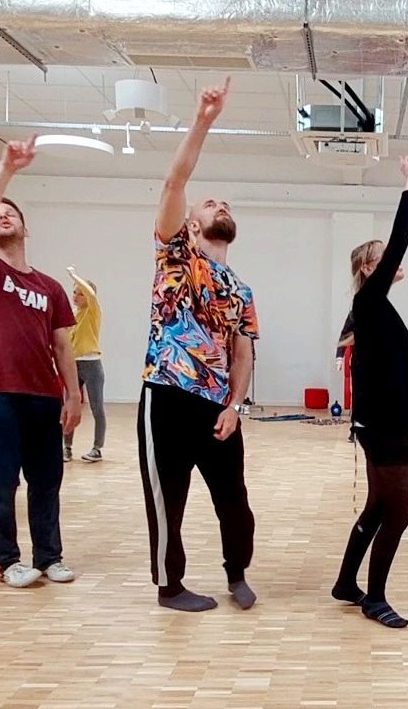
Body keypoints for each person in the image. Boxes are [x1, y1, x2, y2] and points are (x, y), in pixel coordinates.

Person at [138, 78, 260, 613]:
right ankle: (170, 587)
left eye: (224, 203)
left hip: (216, 407)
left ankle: (237, 573)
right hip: (166, 396)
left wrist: (235, 405)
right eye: (209, 203)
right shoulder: (175, 255)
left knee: (235, 501)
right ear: (191, 224)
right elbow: (174, 181)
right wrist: (203, 120)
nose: (219, 204)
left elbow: (243, 352)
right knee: (168, 501)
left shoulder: (242, 290)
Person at [0, 136, 82, 588]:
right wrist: (7, 169)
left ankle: (49, 556)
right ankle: (7, 560)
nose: (1, 216)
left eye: (10, 212)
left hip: (43, 396)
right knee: (1, 480)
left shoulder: (49, 287)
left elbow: (63, 346)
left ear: (25, 229)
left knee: (47, 480)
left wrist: (73, 395)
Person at [332, 155, 408, 629]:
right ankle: (375, 598)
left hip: (385, 422)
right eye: (385, 256)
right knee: (400, 510)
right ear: (369, 269)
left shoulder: (378, 307)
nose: (395, 258)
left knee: (378, 506)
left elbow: (398, 374)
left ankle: (346, 584)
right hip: (382, 425)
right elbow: (402, 237)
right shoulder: (369, 301)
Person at [63, 266, 106, 463]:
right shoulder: (73, 314)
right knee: (69, 405)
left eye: (80, 293)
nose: (76, 296)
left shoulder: (92, 311)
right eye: (74, 292)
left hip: (92, 365)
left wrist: (75, 276)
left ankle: (97, 448)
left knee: (97, 408)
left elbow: (90, 294)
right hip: (74, 365)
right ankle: (67, 447)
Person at [334, 311, 356, 441]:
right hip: (359, 361)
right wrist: (339, 357)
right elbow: (345, 334)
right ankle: (355, 430)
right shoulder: (355, 313)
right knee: (358, 397)